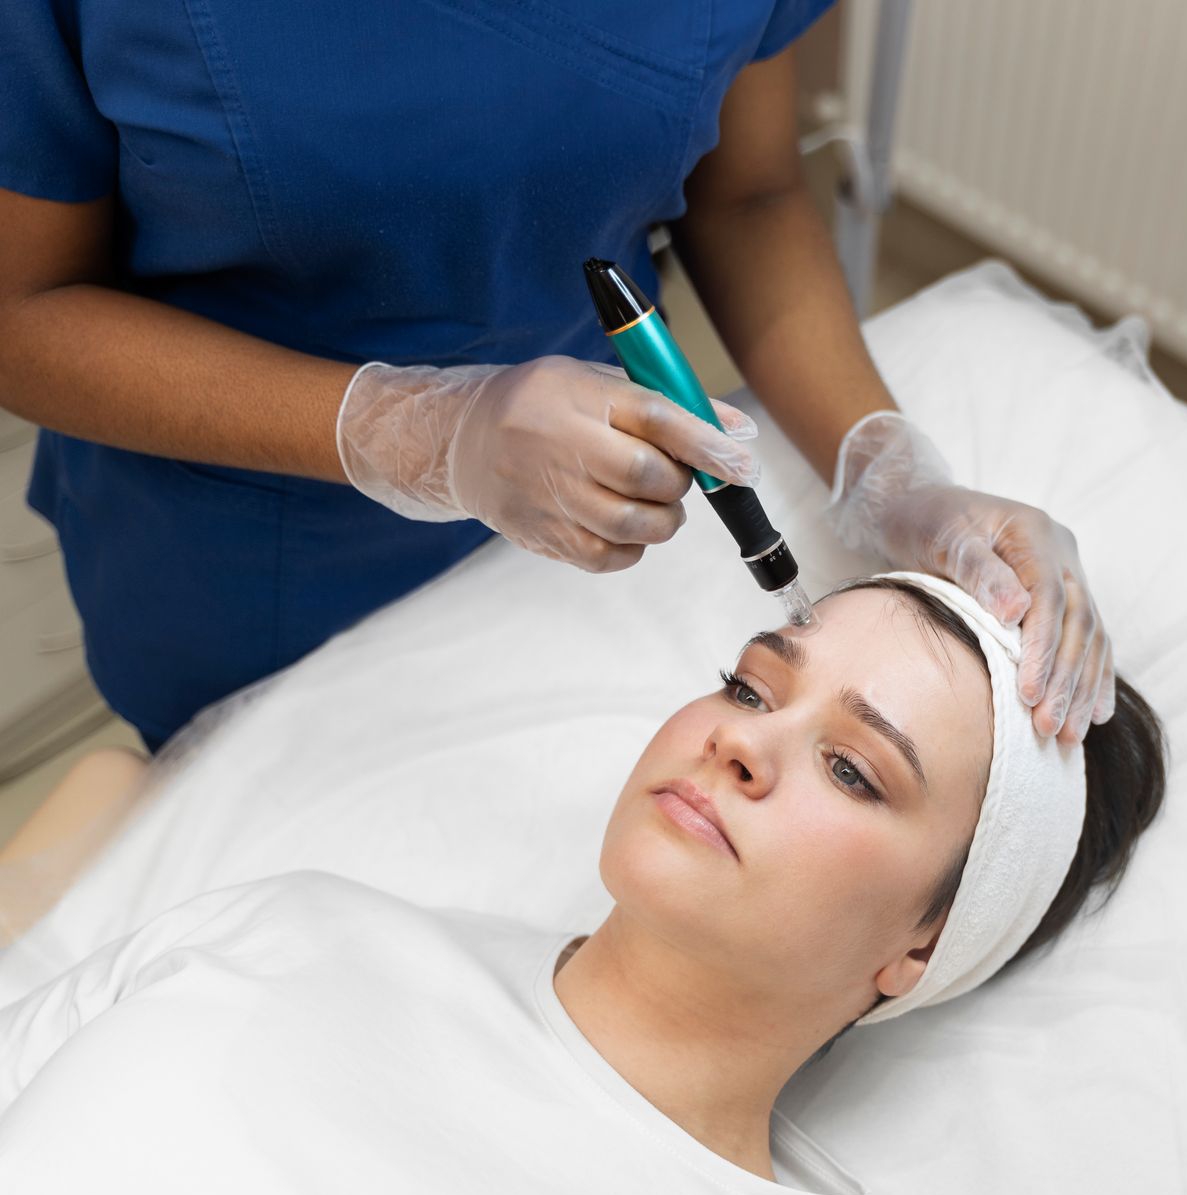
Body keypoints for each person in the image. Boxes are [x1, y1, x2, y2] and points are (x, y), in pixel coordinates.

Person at [0, 2, 1116, 756]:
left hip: (595, 535)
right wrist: (410, 429)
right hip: (249, 557)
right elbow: (21, 312)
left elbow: (750, 195)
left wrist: (885, 470)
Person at [0, 572, 1166, 1195]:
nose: (742, 740)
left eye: (855, 769)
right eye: (754, 684)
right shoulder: (302, 922)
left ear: (921, 945)